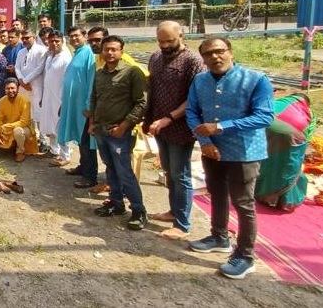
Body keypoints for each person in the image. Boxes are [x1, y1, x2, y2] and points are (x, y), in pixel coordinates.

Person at [186, 37, 274, 280]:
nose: (215, 57)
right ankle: (219, 236)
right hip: (212, 150)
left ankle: (245, 256)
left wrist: (221, 127)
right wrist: (205, 142)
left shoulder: (255, 80)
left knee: (243, 204)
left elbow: (264, 117)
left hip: (244, 152)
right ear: (202, 58)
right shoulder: (200, 80)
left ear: (230, 52)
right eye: (208, 54)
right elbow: (193, 112)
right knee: (216, 193)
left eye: (220, 51)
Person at [143, 21, 206, 240]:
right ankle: (174, 211)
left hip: (180, 128)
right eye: (161, 41)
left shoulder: (193, 61)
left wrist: (169, 118)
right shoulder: (155, 57)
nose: (165, 45)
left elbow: (194, 98)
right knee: (170, 172)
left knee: (181, 174)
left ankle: (183, 224)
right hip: (159, 126)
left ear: (181, 36)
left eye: (169, 40)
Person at [89, 35, 148, 231]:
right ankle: (116, 204)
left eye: (114, 49)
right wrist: (92, 123)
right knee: (110, 168)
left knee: (124, 172)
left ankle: (138, 211)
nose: (110, 53)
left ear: (121, 51)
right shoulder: (99, 73)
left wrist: (123, 127)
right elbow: (94, 100)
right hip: (101, 129)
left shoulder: (132, 72)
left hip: (120, 132)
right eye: (107, 49)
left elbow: (141, 103)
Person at [57, 26, 97, 187]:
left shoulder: (89, 54)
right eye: (71, 36)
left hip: (84, 108)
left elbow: (92, 81)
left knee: (87, 141)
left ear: (85, 36)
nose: (74, 39)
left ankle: (90, 176)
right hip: (73, 105)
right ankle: (83, 167)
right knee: (81, 141)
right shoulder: (78, 53)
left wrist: (89, 106)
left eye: (76, 36)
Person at [40, 30, 73, 166]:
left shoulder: (66, 58)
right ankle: (54, 150)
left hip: (60, 99)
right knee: (50, 125)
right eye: (51, 41)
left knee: (61, 127)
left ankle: (66, 155)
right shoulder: (50, 56)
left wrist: (65, 101)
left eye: (56, 41)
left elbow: (68, 82)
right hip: (49, 97)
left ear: (62, 41)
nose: (53, 44)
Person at [0, 78, 37, 162]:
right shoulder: (2, 101)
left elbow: (24, 121)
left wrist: (6, 127)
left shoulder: (25, 101)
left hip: (24, 128)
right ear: (4, 89)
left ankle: (20, 151)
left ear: (17, 88)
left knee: (17, 131)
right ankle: (13, 144)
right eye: (7, 88)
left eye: (12, 88)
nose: (10, 91)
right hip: (6, 129)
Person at [15, 29, 47, 148]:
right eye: (23, 38)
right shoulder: (21, 51)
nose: (25, 40)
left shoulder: (41, 50)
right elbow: (17, 67)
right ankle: (31, 137)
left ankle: (43, 140)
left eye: (27, 38)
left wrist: (26, 80)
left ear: (34, 37)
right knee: (25, 112)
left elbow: (40, 68)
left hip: (36, 86)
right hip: (23, 87)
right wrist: (21, 80)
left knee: (38, 113)